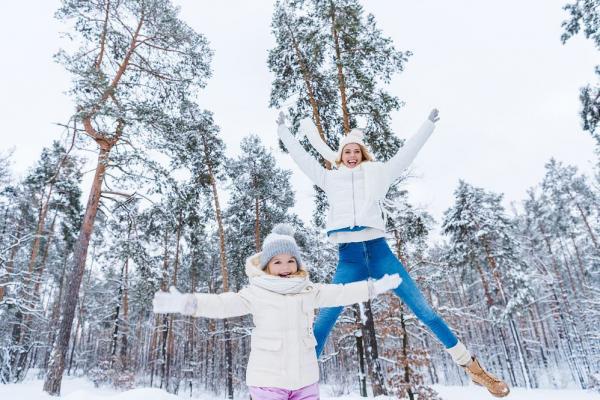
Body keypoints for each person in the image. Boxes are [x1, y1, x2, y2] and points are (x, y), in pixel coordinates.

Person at [276, 111, 510, 398]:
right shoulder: (329, 179)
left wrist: (427, 125)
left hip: (380, 254)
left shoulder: (379, 174)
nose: (351, 155)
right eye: (347, 151)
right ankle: (295, 385)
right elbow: (302, 159)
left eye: (356, 151)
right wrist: (284, 132)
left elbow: (406, 153)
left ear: (363, 155)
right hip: (349, 260)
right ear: (340, 156)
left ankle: (474, 370)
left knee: (426, 312)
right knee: (323, 322)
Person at [152, 223, 401, 400]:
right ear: (267, 266)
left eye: (290, 260)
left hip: (305, 382)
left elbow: (342, 293)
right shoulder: (255, 293)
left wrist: (374, 287)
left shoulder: (309, 290)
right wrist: (188, 303)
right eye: (278, 261)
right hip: (268, 383)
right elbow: (222, 304)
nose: (285, 267)